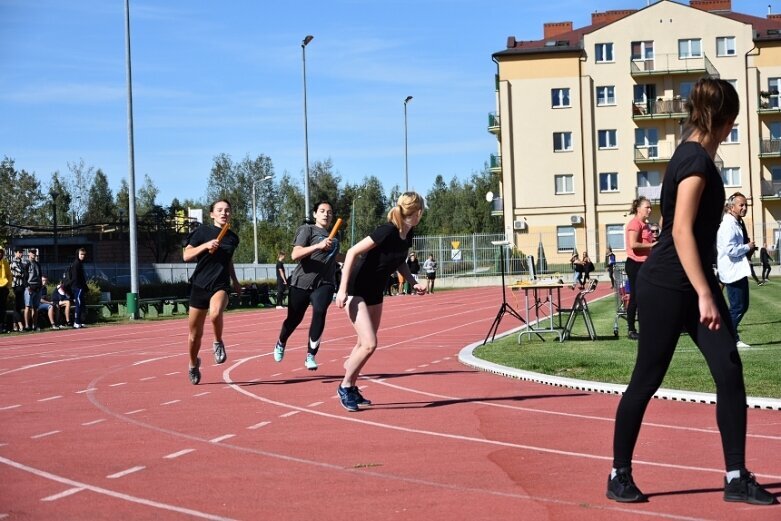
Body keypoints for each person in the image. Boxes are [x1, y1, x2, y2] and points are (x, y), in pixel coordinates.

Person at [608, 77, 774, 506]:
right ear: (727, 121)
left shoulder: (691, 152)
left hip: (693, 282)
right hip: (667, 286)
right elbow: (679, 229)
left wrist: (704, 287)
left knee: (729, 368)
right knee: (646, 380)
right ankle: (618, 473)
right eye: (733, 122)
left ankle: (736, 477)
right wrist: (705, 292)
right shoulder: (696, 161)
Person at [335, 192, 427, 412]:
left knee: (362, 344)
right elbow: (351, 252)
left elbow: (399, 260)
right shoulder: (387, 231)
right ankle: (345, 386)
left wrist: (413, 282)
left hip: (376, 293)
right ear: (417, 212)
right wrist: (342, 290)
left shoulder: (408, 233)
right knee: (369, 343)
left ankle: (351, 384)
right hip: (356, 290)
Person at [273, 201, 342, 371]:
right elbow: (295, 254)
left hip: (325, 283)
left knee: (320, 311)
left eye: (329, 212)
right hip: (301, 283)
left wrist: (357, 257)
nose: (326, 214)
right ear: (315, 214)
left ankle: (311, 354)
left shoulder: (335, 235)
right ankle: (281, 341)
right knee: (294, 319)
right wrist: (318, 245)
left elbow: (335, 257)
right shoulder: (307, 230)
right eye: (322, 211)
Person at [183, 199, 241, 385]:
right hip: (200, 285)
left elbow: (228, 260)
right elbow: (186, 255)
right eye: (220, 210)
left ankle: (217, 342)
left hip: (220, 285)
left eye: (227, 210)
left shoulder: (232, 237)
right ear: (212, 214)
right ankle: (193, 363)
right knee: (194, 335)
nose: (224, 213)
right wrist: (206, 246)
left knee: (215, 314)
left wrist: (235, 281)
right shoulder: (202, 232)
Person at [716, 193, 754, 349]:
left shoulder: (736, 222)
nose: (744, 208)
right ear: (732, 207)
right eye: (741, 205)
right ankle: (726, 337)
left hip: (738, 270)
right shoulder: (728, 225)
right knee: (738, 307)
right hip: (732, 271)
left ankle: (732, 336)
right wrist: (748, 247)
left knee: (741, 306)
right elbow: (731, 250)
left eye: (745, 205)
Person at [624, 196, 656, 340]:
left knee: (647, 297)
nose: (650, 209)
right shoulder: (635, 223)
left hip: (645, 264)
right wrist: (652, 245)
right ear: (638, 209)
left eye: (650, 207)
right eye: (647, 207)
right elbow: (633, 244)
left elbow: (647, 242)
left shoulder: (645, 225)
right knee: (636, 298)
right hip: (635, 264)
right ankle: (631, 330)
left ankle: (648, 327)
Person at [69, 248, 88, 329]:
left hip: (80, 287)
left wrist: (85, 287)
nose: (82, 256)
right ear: (78, 254)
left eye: (84, 254)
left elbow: (82, 277)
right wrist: (77, 287)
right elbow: (75, 278)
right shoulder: (76, 264)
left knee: (82, 304)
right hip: (77, 287)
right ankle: (76, 322)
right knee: (78, 304)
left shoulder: (80, 263)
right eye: (81, 254)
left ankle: (81, 321)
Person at [23, 249, 42, 332]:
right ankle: (27, 325)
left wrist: (40, 286)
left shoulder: (38, 264)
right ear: (29, 254)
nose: (34, 254)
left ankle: (35, 325)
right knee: (27, 307)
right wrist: (28, 287)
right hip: (29, 288)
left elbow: (40, 276)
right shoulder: (26, 264)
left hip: (37, 288)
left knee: (35, 308)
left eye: (35, 253)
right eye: (32, 253)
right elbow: (24, 278)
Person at [10, 247, 27, 333]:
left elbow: (24, 272)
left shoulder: (21, 262)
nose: (21, 254)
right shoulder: (13, 263)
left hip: (21, 286)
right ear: (15, 253)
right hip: (16, 286)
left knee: (18, 306)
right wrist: (24, 272)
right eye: (19, 252)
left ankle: (14, 325)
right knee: (17, 306)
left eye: (21, 252)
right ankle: (20, 324)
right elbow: (21, 272)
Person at [0, 249, 10, 334]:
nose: (0, 253)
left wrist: (8, 286)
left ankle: (2, 326)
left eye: (1, 252)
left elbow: (9, 275)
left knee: (3, 308)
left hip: (3, 288)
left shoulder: (5, 262)